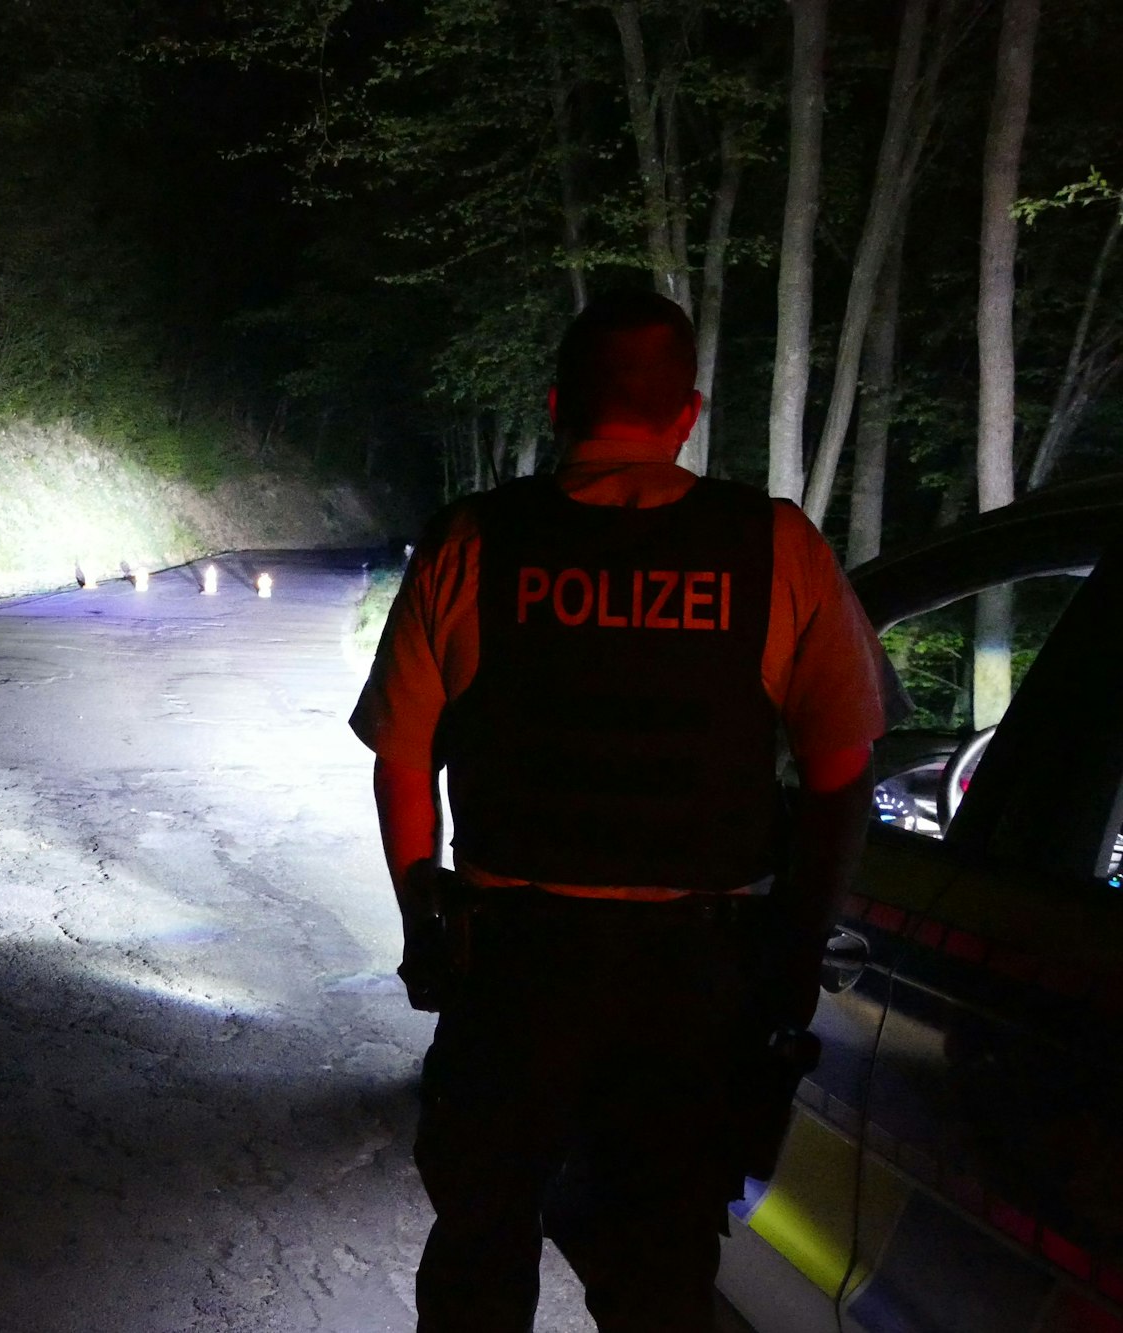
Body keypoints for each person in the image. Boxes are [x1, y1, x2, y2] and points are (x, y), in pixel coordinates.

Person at [351, 291, 887, 1332]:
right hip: (691, 984)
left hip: (512, 970)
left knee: (477, 1251)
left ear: (555, 405)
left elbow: (401, 755)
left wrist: (424, 914)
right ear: (685, 414)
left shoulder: (473, 541)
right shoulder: (773, 546)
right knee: (658, 1271)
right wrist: (786, 960)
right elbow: (839, 776)